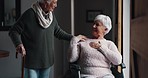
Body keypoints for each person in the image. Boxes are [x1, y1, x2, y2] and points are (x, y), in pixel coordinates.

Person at [9, 0, 86, 78]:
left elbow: (58, 32)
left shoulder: (51, 17)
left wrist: (74, 38)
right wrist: (18, 44)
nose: (56, 5)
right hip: (31, 63)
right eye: (54, 2)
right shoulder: (29, 14)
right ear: (46, 4)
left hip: (47, 61)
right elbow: (13, 31)